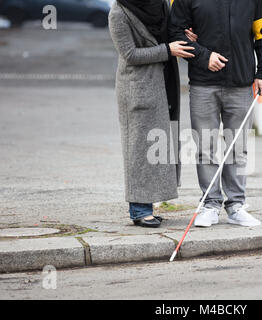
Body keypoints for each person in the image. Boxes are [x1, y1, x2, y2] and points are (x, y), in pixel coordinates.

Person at [169, 0, 262, 227]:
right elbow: (175, 32)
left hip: (241, 84)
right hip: (202, 84)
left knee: (237, 148)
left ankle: (236, 205)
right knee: (205, 148)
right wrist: (203, 56)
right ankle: (210, 205)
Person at [109, 0, 197, 228]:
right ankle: (139, 209)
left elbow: (169, 35)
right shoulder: (119, 11)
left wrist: (186, 39)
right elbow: (130, 54)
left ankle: (149, 205)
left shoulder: (160, 4)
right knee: (138, 148)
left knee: (159, 145)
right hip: (138, 87)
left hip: (164, 80)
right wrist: (168, 50)